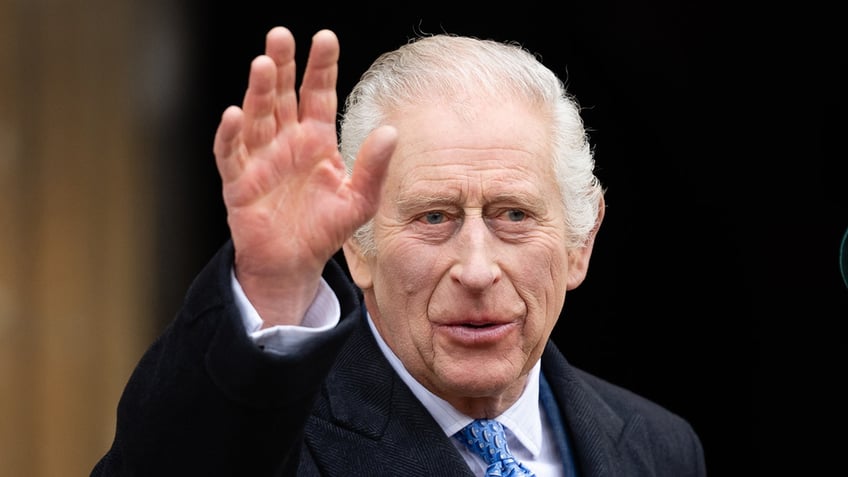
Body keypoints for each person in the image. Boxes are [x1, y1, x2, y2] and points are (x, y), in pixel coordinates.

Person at [92, 26, 706, 476]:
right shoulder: (274, 441)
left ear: (580, 243)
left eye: (513, 215)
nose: (475, 268)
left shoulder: (659, 448)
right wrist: (273, 284)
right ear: (358, 247)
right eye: (433, 217)